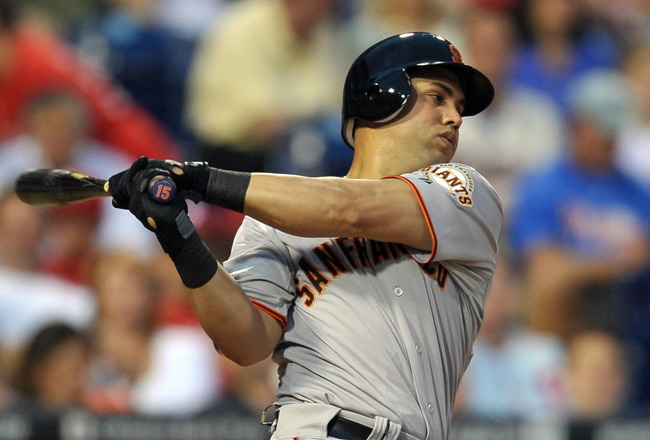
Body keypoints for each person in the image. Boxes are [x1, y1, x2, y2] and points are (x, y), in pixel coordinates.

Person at [109, 32, 502, 440]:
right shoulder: (274, 217)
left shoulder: (465, 192)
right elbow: (245, 343)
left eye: (458, 107)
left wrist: (199, 178)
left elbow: (346, 209)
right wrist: (180, 238)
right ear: (382, 96)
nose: (455, 118)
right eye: (438, 97)